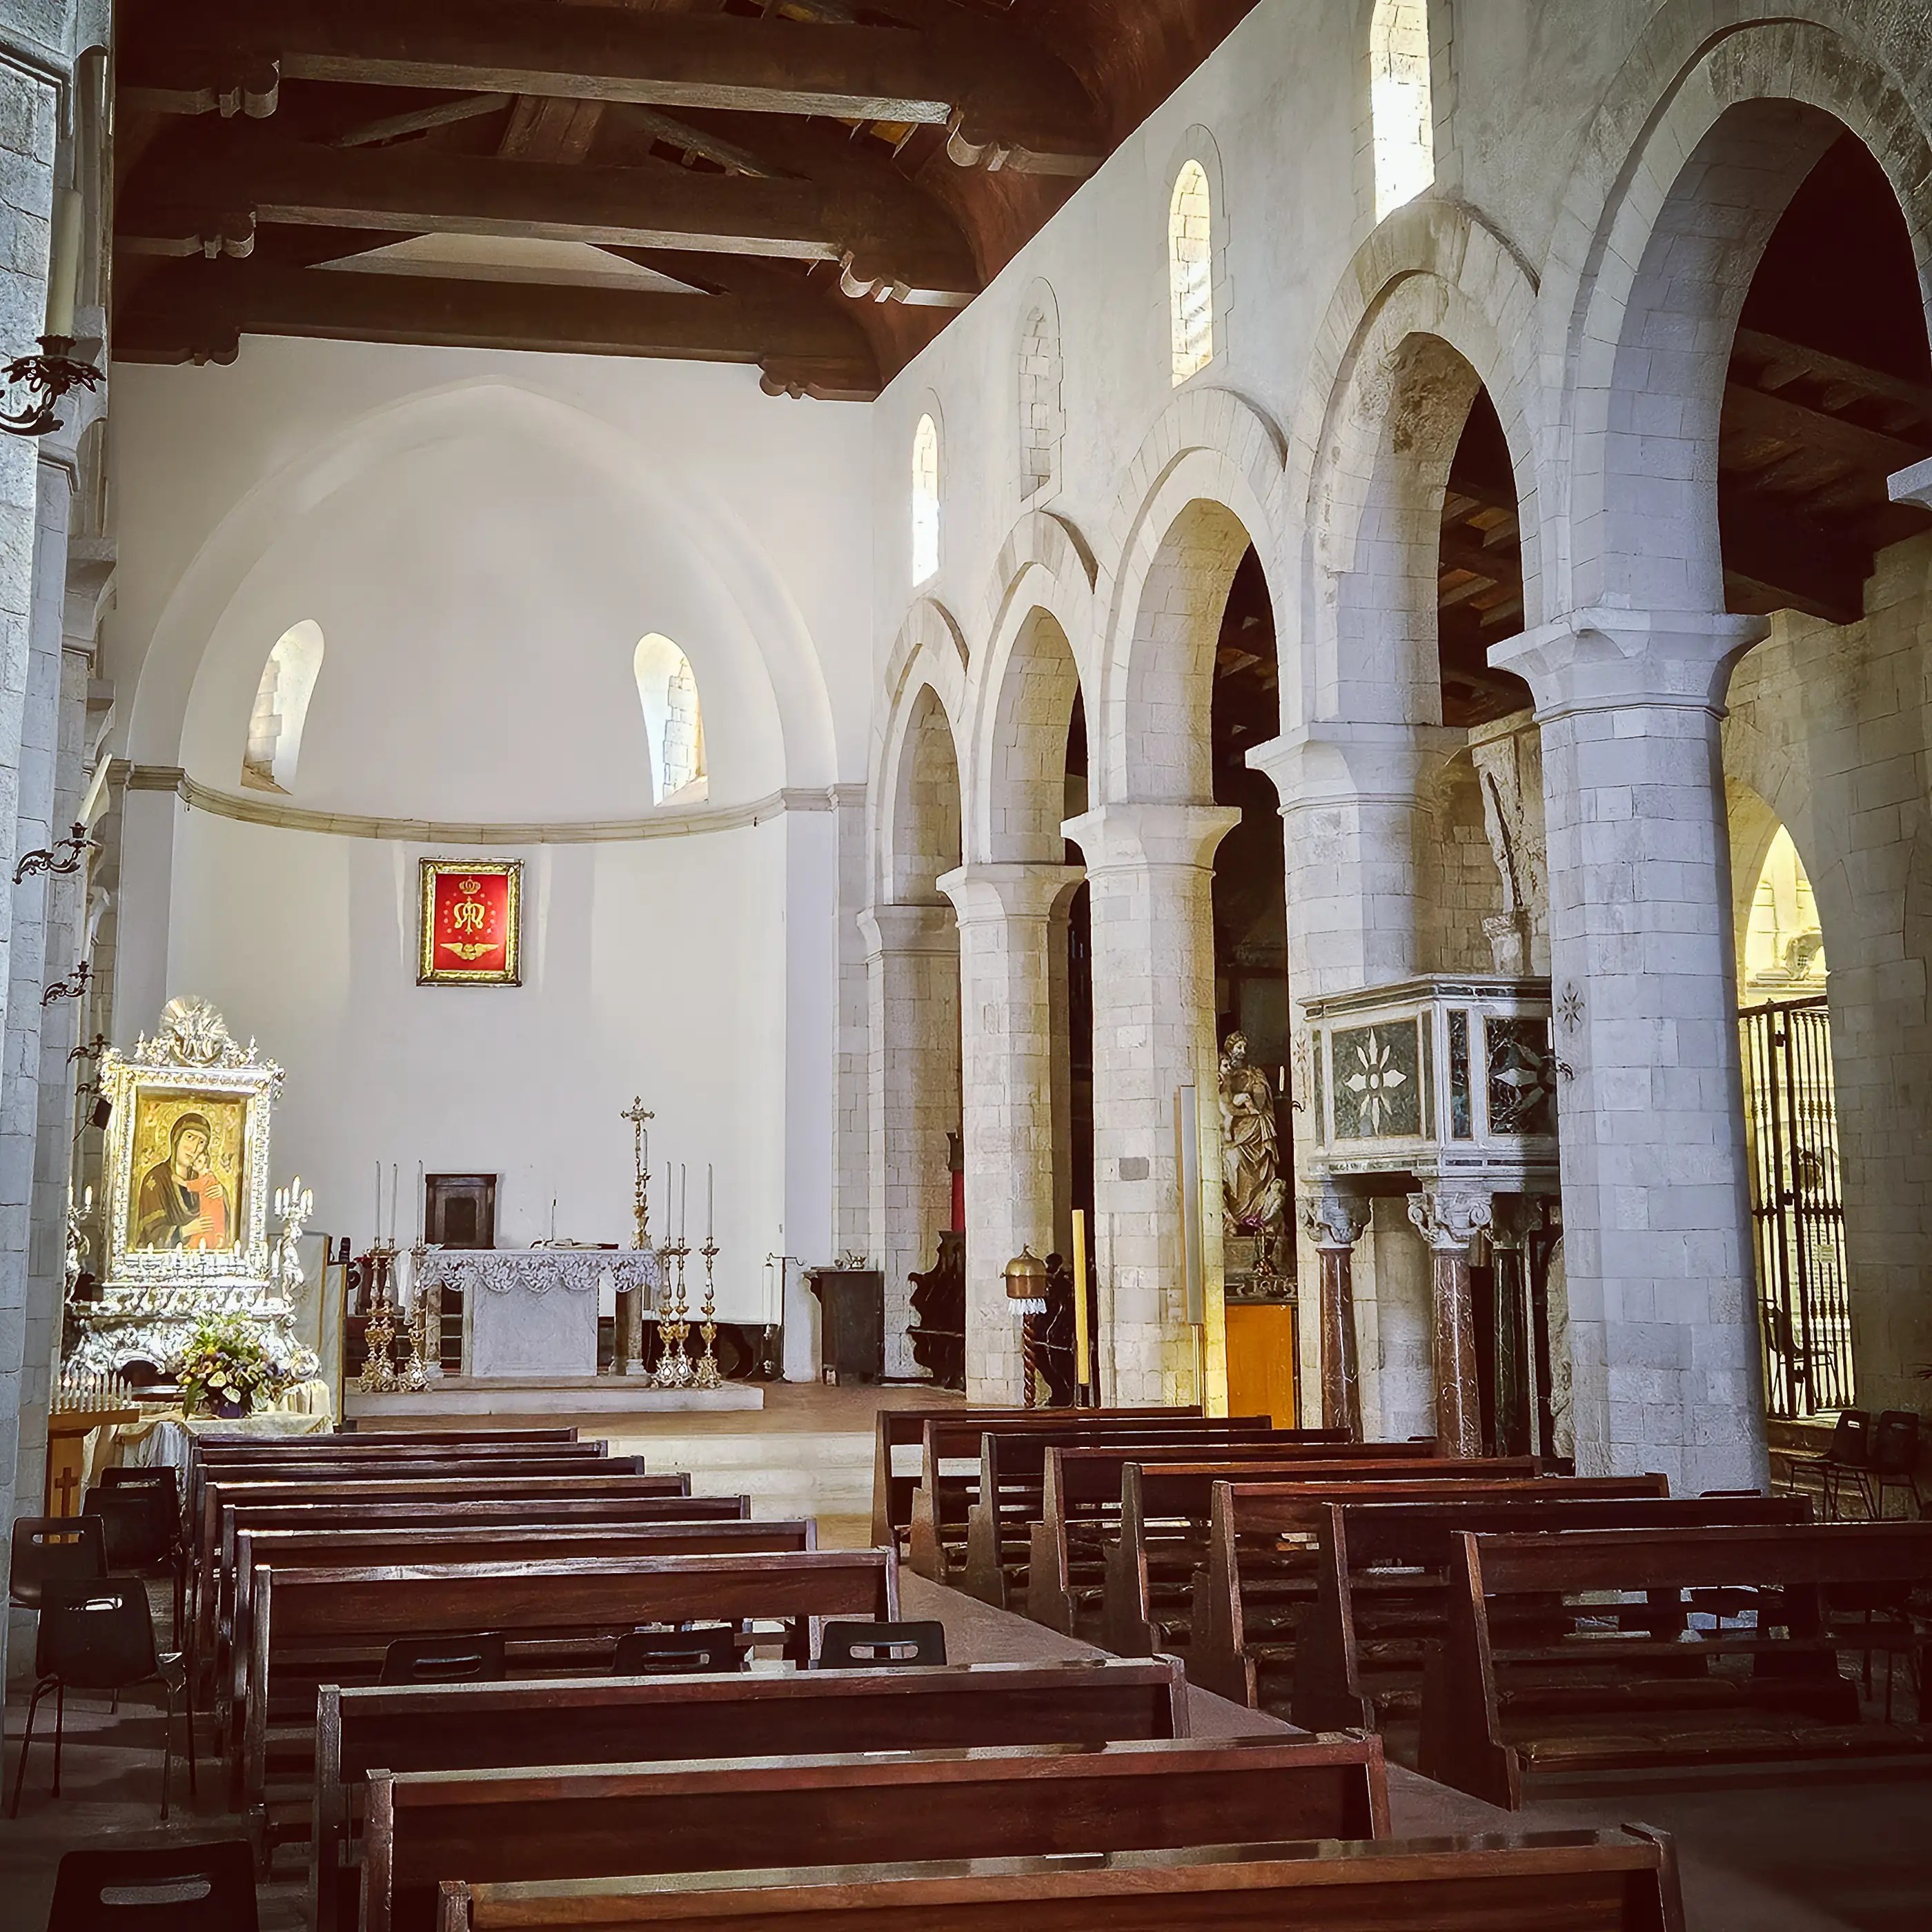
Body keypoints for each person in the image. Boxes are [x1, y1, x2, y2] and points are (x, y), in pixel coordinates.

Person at [1218, 1032, 1285, 1235]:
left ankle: (1260, 1214)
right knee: (1233, 1160)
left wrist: (1256, 1091)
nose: (1242, 1052)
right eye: (1238, 1047)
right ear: (1230, 1049)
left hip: (1255, 1130)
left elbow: (1262, 1100)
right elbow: (1223, 1106)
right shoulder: (1222, 1075)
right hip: (1234, 1134)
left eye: (1244, 1048)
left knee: (1261, 1173)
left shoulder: (1255, 1073)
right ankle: (1234, 1218)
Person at [134, 1111, 230, 1251]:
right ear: (176, 1139)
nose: (194, 1148)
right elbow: (151, 1232)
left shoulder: (202, 1179)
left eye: (201, 1142)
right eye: (190, 1137)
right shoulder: (156, 1179)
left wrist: (223, 1194)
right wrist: (185, 1231)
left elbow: (221, 1216)